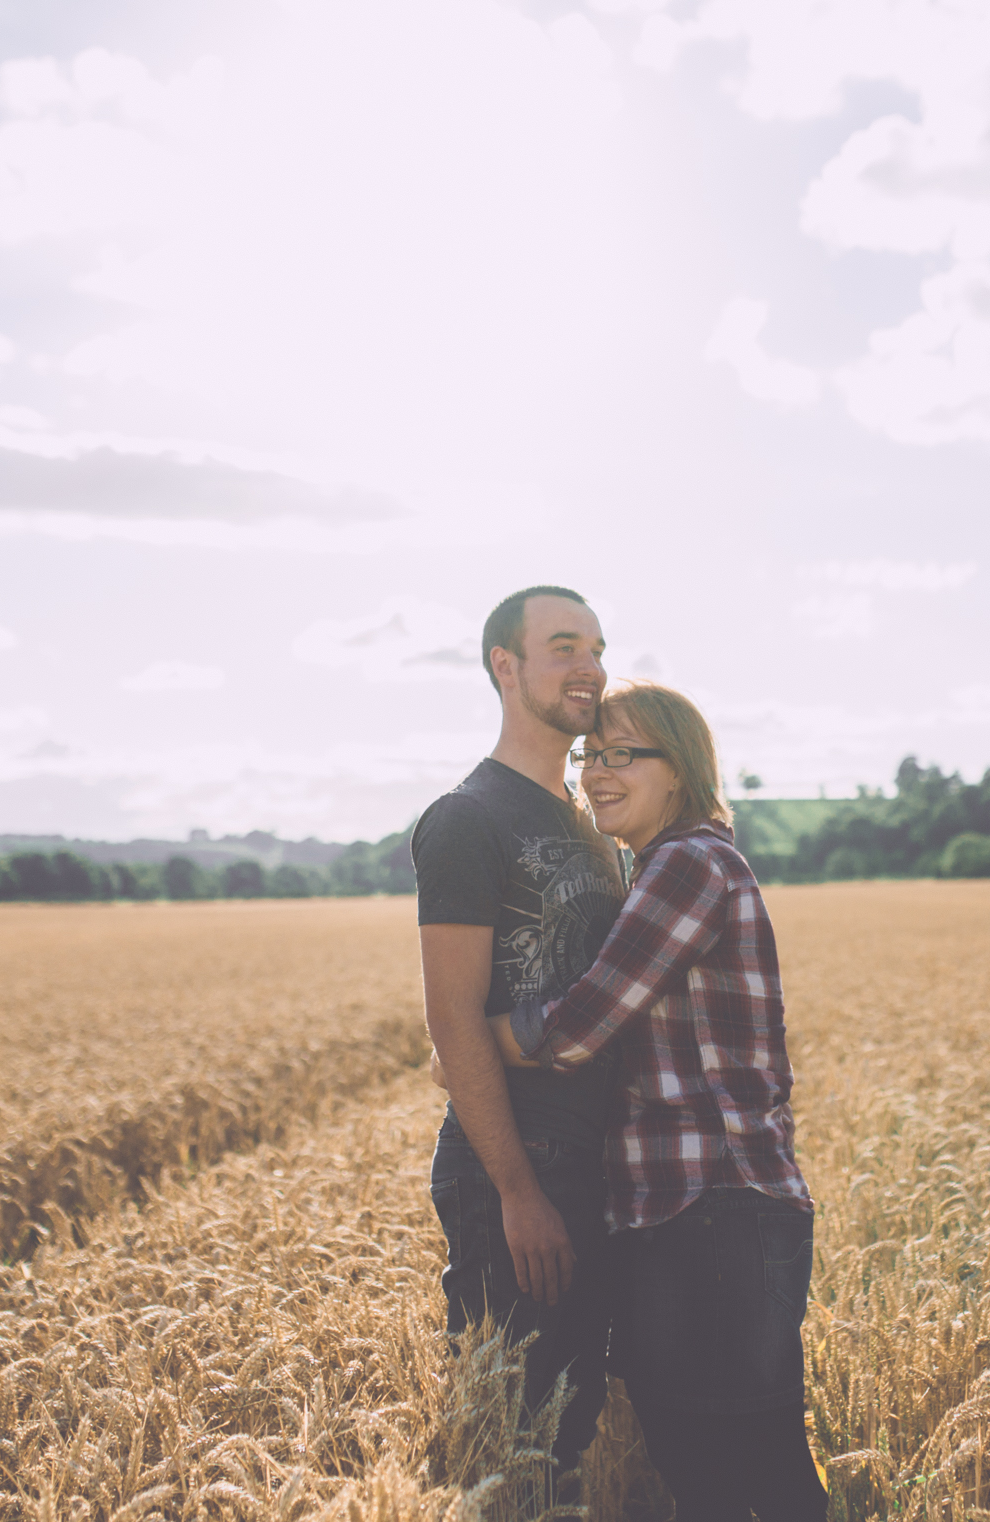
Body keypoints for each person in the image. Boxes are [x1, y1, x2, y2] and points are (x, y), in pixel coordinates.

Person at [492, 680, 828, 1522]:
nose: (598, 772)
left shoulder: (687, 864)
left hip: (709, 1205)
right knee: (737, 1470)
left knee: (736, 1475)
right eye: (589, 755)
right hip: (703, 1211)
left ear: (677, 770)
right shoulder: (665, 865)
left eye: (622, 755)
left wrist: (471, 1044)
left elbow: (580, 1028)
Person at [413, 585, 628, 1475]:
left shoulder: (597, 822)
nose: (592, 667)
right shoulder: (470, 819)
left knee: (571, 1439)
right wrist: (515, 1192)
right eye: (565, 646)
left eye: (598, 647)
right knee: (508, 1441)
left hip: (601, 1165)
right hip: (519, 1164)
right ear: (506, 666)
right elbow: (453, 1016)